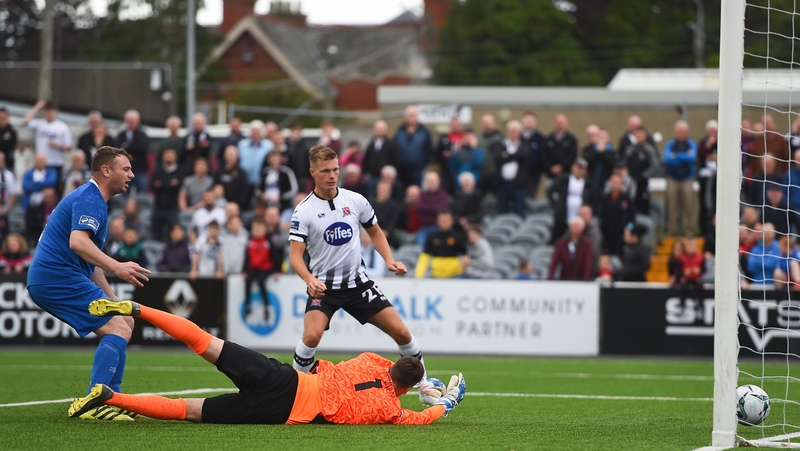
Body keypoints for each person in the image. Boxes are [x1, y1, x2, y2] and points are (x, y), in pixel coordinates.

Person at [70, 299, 465, 425]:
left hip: (285, 380)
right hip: (280, 410)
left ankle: (138, 309)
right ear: (405, 388)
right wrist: (445, 402)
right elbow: (423, 416)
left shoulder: (370, 360)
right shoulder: (391, 410)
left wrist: (421, 383)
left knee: (205, 341)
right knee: (188, 411)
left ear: (392, 365)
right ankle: (108, 397)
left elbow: (394, 368)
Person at [288, 145, 428, 391]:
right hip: (324, 288)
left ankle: (425, 387)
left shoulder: (355, 200)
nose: (332, 175)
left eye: (335, 169)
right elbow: (295, 256)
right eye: (325, 171)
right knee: (311, 337)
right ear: (312, 172)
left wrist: (389, 260)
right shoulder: (304, 211)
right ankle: (291, 389)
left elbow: (375, 231)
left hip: (358, 285)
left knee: (402, 333)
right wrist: (309, 279)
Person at [26, 146, 150, 421]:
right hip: (56, 277)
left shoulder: (92, 198)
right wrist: (118, 266)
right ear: (106, 171)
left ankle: (112, 397)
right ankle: (96, 400)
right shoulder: (90, 197)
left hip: (60, 276)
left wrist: (114, 298)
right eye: (125, 169)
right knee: (118, 326)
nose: (131, 174)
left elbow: (89, 262)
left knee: (123, 320)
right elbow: (77, 242)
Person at [241, 218, 281, 319]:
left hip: (266, 267)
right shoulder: (250, 242)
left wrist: (277, 271)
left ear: (264, 230)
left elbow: (275, 256)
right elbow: (246, 257)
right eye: (255, 229)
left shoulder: (268, 242)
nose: (257, 231)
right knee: (248, 280)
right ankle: (247, 305)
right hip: (253, 267)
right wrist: (244, 270)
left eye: (260, 229)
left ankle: (266, 306)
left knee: (261, 281)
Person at [547, 158, 594, 243]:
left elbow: (592, 198)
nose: (579, 170)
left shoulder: (588, 183)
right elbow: (550, 191)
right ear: (573, 167)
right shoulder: (564, 179)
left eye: (582, 168)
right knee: (557, 238)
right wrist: (556, 206)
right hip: (563, 216)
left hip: (579, 218)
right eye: (578, 167)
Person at [664, 120, 698, 236]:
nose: (681, 134)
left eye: (683, 132)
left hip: (687, 179)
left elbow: (692, 158)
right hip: (672, 179)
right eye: (679, 132)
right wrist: (683, 156)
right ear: (675, 132)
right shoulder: (670, 145)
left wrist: (676, 156)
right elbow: (668, 160)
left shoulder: (691, 144)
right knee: (671, 206)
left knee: (689, 205)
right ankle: (671, 230)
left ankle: (690, 230)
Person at [23, 100, 72, 181]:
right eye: (47, 111)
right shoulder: (40, 124)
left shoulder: (63, 127)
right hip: (41, 163)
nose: (49, 114)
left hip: (56, 162)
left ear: (55, 112)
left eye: (51, 111)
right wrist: (37, 107)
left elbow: (69, 146)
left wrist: (57, 145)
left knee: (53, 190)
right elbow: (25, 121)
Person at [491, 120, 529, 217]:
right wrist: (514, 157)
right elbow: (497, 158)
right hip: (502, 183)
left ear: (519, 133)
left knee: (520, 210)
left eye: (515, 131)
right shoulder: (500, 145)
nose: (513, 133)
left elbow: (523, 156)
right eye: (511, 131)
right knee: (502, 210)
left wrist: (507, 156)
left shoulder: (524, 146)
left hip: (518, 184)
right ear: (507, 132)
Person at [415, 210, 467, 279]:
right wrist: (419, 276)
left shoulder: (458, 237)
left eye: (446, 220)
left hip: (455, 275)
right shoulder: (432, 237)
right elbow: (424, 257)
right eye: (442, 220)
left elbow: (465, 257)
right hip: (436, 275)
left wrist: (462, 270)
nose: (444, 222)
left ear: (452, 221)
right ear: (437, 221)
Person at [622, 125, 658, 215]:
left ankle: (644, 227)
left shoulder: (649, 149)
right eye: (637, 133)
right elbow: (623, 164)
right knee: (630, 205)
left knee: (643, 206)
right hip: (630, 183)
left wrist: (643, 175)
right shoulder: (629, 149)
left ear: (645, 135)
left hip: (643, 183)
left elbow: (655, 165)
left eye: (641, 133)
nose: (639, 135)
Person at [393, 106, 432, 187]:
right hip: (401, 170)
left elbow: (429, 150)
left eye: (413, 115)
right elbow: (394, 149)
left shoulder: (424, 132)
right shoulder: (400, 131)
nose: (411, 118)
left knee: (416, 192)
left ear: (417, 117)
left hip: (418, 170)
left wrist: (423, 163)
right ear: (406, 117)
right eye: (409, 115)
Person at [598, 173, 636, 257]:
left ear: (621, 184)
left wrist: (629, 228)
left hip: (622, 237)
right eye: (613, 182)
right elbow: (600, 216)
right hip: (607, 237)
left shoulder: (627, 199)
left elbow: (632, 217)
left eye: (617, 182)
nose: (615, 184)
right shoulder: (604, 199)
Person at [150, 148, 183, 241]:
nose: (168, 156)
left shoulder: (179, 171)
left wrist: (161, 184)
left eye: (171, 154)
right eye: (166, 154)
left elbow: (177, 187)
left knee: (172, 234)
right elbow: (153, 186)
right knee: (156, 234)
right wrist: (169, 184)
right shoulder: (158, 170)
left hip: (172, 208)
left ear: (175, 157)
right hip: (158, 207)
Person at [548, 216, 594, 281]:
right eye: (573, 226)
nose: (575, 229)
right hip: (564, 279)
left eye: (577, 226)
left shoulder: (587, 244)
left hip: (580, 280)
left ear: (582, 228)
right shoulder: (561, 243)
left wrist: (586, 281)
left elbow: (588, 264)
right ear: (570, 227)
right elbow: (554, 262)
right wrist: (550, 278)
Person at [116, 110, 150, 196]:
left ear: (138, 121)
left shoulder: (142, 135)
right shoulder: (121, 135)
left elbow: (143, 148)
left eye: (133, 120)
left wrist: (128, 146)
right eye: (129, 120)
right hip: (124, 171)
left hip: (139, 170)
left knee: (142, 195)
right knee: (123, 194)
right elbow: (117, 149)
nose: (131, 122)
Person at [415, 171, 450, 247]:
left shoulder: (443, 195)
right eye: (429, 182)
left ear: (438, 182)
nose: (431, 184)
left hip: (438, 227)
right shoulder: (422, 195)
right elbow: (419, 208)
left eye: (433, 182)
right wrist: (434, 207)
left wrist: (427, 208)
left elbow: (442, 209)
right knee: (419, 246)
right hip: (424, 227)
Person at [362, 120, 396, 196]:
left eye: (382, 128)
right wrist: (367, 172)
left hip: (385, 178)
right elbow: (366, 159)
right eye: (378, 128)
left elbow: (395, 160)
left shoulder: (391, 145)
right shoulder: (371, 145)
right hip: (372, 177)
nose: (380, 130)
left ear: (386, 130)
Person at [697, 120, 718, 234]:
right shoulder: (703, 142)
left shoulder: (722, 141)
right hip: (706, 178)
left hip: (718, 178)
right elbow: (701, 154)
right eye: (711, 131)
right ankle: (704, 230)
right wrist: (709, 144)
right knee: (705, 204)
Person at [238, 120, 273, 188]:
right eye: (253, 130)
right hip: (244, 182)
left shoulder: (269, 146)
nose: (255, 132)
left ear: (262, 132)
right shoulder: (242, 145)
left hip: (261, 182)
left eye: (258, 130)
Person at [542, 113, 578, 180]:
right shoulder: (548, 139)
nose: (560, 124)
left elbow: (572, 156)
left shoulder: (571, 140)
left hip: (566, 175)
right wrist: (551, 167)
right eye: (558, 122)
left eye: (562, 122)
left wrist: (561, 166)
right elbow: (544, 156)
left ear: (566, 123)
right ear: (554, 123)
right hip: (551, 176)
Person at [216, 145, 251, 212]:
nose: (230, 157)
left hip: (237, 206)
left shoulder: (242, 173)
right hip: (221, 206)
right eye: (228, 154)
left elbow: (245, 192)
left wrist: (237, 204)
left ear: (237, 156)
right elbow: (215, 186)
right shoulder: (219, 172)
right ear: (224, 155)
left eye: (232, 154)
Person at [583, 125, 615, 193]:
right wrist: (597, 151)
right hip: (591, 184)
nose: (601, 139)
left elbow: (612, 163)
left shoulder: (612, 152)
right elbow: (587, 161)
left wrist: (603, 152)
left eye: (603, 137)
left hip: (606, 186)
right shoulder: (589, 150)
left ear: (608, 139)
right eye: (599, 137)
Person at [435, 118, 464, 193]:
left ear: (460, 126)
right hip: (446, 170)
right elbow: (437, 154)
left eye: (457, 124)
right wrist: (443, 155)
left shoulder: (464, 138)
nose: (455, 126)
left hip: (460, 169)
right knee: (445, 191)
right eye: (453, 124)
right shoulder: (444, 138)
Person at [520, 111, 545, 197]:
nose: (529, 124)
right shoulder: (518, 137)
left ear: (535, 123)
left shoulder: (540, 138)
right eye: (527, 121)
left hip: (534, 174)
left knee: (530, 196)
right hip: (519, 175)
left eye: (531, 121)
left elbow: (543, 156)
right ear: (522, 122)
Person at [677, 237, 704, 304]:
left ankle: (700, 305)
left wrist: (699, 271)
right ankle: (682, 304)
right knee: (682, 286)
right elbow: (679, 270)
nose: (690, 248)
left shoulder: (700, 257)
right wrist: (684, 272)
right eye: (688, 246)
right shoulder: (682, 257)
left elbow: (704, 270)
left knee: (700, 287)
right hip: (686, 278)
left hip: (696, 278)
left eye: (692, 245)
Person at [286, 124, 312, 192]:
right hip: (289, 178)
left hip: (301, 178)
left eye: (297, 132)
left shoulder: (305, 147)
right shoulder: (287, 146)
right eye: (294, 132)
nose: (296, 135)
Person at [0, 152, 16, 242]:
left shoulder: (8, 175)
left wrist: (7, 210)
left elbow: (12, 194)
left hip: (4, 212)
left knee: (4, 237)